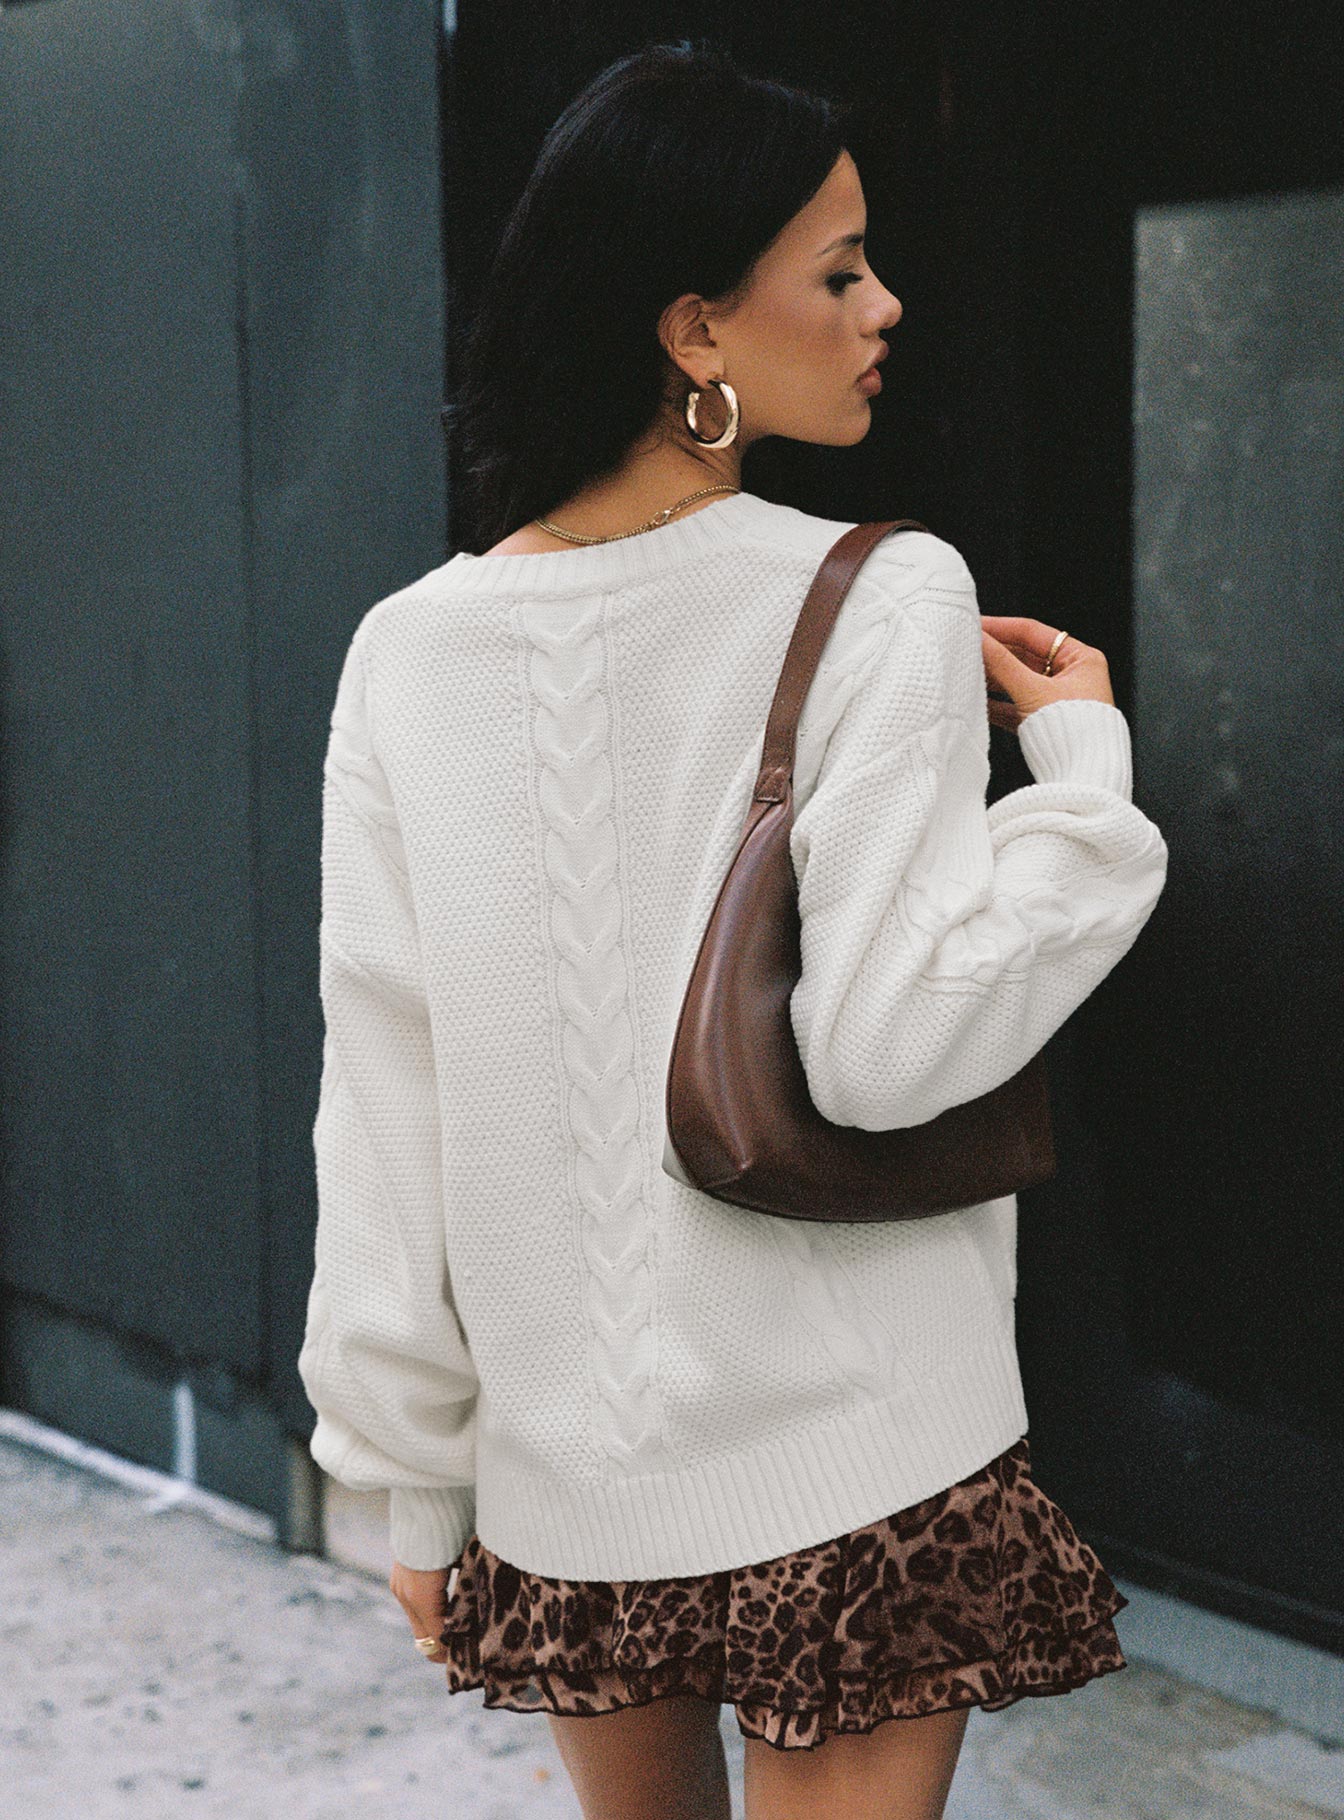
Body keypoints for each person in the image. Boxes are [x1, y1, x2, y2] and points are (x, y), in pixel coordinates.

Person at [298, 38, 1169, 1820]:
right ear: (694, 329)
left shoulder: (406, 652)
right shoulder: (882, 591)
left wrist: (415, 1482)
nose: (885, 305)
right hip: (863, 1457)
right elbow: (888, 1050)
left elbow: (385, 1096)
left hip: (568, 1481)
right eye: (839, 272)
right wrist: (1084, 788)